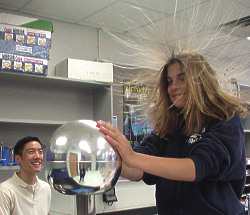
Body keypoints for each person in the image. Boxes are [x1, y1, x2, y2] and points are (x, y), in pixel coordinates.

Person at [97, 52, 248, 215]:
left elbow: (196, 168)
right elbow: (138, 169)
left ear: (200, 82)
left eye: (181, 79)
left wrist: (132, 156)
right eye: (169, 81)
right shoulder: (170, 127)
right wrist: (111, 161)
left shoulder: (224, 120)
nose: (173, 87)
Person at [0, 136, 51, 215]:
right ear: (17, 159)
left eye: (40, 152)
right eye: (31, 152)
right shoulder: (5, 191)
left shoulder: (45, 188)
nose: (37, 156)